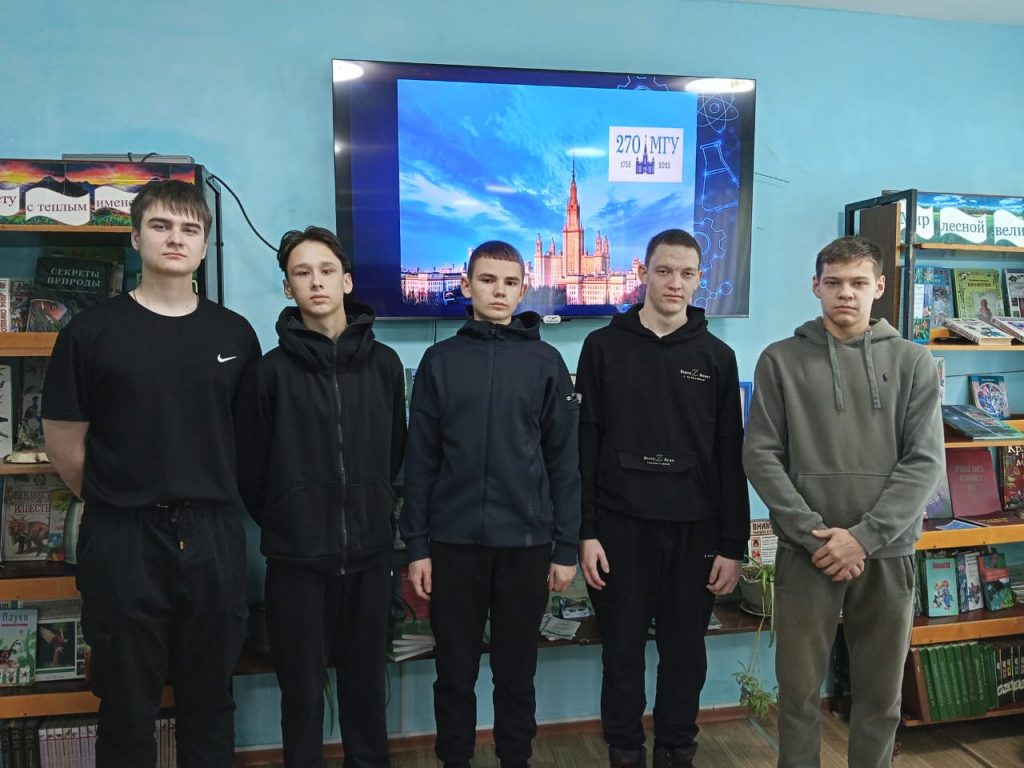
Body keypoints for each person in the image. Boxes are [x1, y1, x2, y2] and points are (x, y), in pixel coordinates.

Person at [42, 179, 261, 767]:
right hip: (124, 537)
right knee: (125, 705)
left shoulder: (235, 334)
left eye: (190, 229)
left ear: (205, 245)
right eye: (161, 226)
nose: (176, 238)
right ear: (136, 238)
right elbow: (64, 443)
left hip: (213, 534)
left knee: (210, 701)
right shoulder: (90, 332)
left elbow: (247, 440)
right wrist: (121, 498)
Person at [742, 235, 944, 768]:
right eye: (833, 283)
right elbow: (760, 456)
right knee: (798, 694)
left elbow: (925, 462)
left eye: (858, 283)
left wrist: (863, 537)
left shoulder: (914, 362)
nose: (845, 294)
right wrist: (815, 536)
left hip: (887, 552)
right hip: (805, 552)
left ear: (879, 287)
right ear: (816, 287)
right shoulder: (780, 360)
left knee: (880, 697)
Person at [401, 240, 581, 768]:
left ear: (523, 290)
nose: (498, 291)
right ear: (466, 286)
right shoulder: (439, 361)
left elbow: (564, 462)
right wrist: (417, 546)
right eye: (487, 280)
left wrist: (565, 547)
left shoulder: (547, 362)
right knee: (453, 673)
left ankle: (514, 759)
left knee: (516, 673)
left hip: (526, 545)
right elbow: (420, 461)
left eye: (509, 282)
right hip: (453, 545)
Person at [576, 228, 748, 768]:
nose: (675, 282)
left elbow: (730, 454)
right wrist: (586, 531)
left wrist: (733, 545)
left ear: (699, 280)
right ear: (644, 273)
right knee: (621, 653)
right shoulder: (602, 347)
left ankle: (677, 749)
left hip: (694, 532)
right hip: (618, 530)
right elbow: (585, 446)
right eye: (665, 271)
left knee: (686, 655)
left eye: (687, 273)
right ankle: (625, 751)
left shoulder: (718, 357)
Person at [235, 226, 407, 768]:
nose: (316, 282)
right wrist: (293, 517)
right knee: (303, 696)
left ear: (346, 281)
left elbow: (393, 452)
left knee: (366, 692)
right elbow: (252, 473)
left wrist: (368, 507)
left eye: (327, 270)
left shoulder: (385, 365)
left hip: (370, 557)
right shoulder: (268, 373)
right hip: (296, 562)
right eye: (302, 273)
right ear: (288, 288)